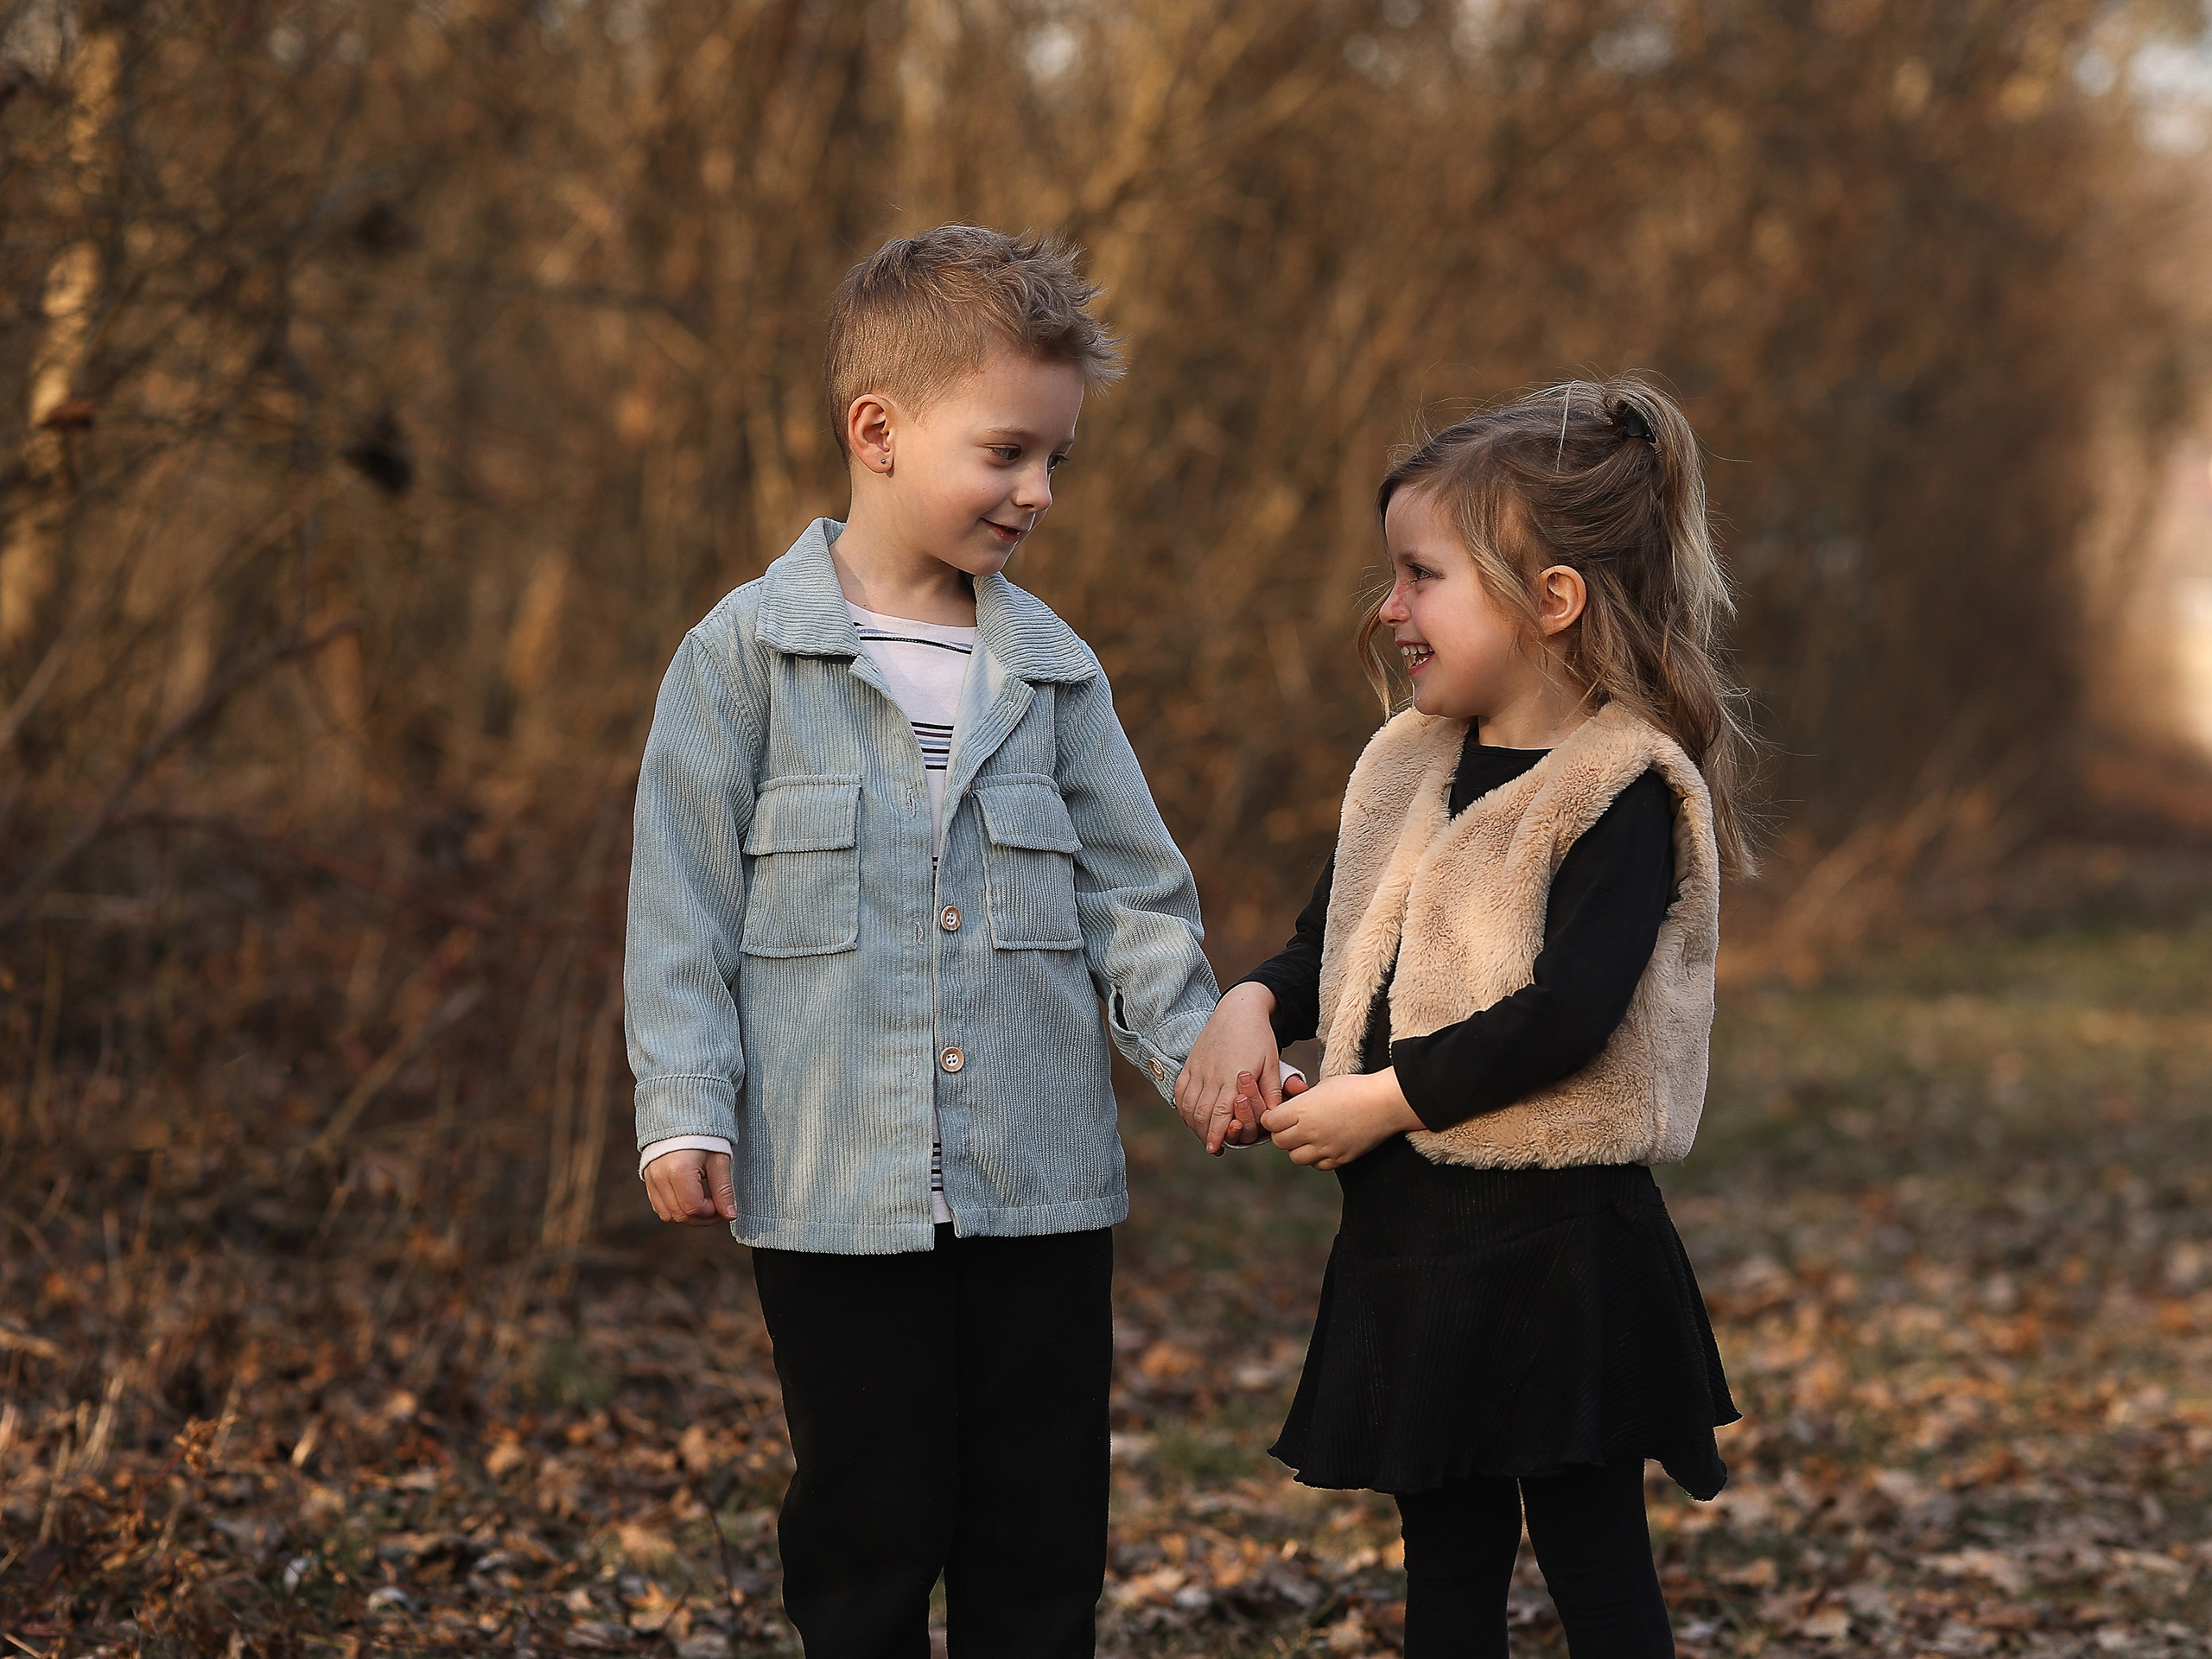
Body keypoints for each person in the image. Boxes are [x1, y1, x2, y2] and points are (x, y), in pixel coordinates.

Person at [622, 225, 1225, 1659]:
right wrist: (683, 1111)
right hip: (835, 1192)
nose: (1039, 493)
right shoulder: (742, 663)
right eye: (1009, 452)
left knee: (1039, 1532)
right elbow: (683, 912)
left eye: (1057, 461)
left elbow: (1132, 901)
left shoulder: (1057, 676)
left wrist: (1206, 1054)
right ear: (877, 431)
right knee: (865, 1527)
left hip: (1041, 1193)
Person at [1180, 378, 1752, 1659]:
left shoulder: (1620, 789)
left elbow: (1567, 1018)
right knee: (1444, 1574)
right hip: (1415, 1247)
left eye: (1421, 576)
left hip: (1557, 1251)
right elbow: (1331, 951)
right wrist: (1251, 1005)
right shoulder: (1405, 765)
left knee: (1596, 1564)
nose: (1389, 610)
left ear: (1551, 601)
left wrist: (1378, 1100)